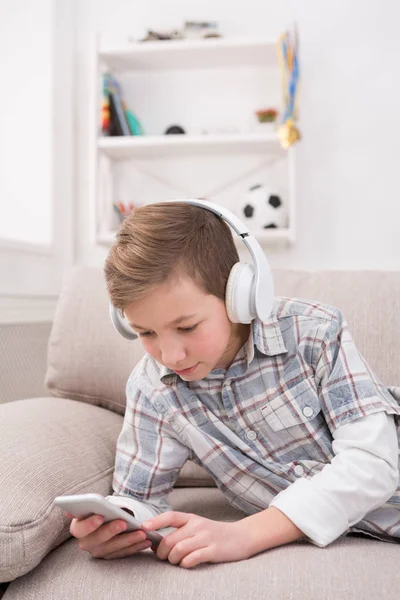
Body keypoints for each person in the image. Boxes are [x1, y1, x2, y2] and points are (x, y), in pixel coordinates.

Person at [69, 200, 400, 569]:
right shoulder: (153, 389)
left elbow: (375, 463)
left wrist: (247, 534)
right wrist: (117, 524)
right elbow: (139, 496)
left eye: (187, 327)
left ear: (239, 295)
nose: (172, 355)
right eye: (145, 332)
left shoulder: (315, 333)